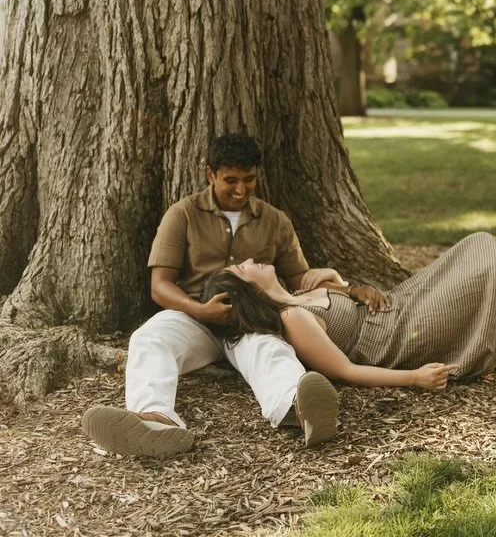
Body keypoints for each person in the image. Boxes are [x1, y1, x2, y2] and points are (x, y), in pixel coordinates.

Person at [81, 134, 346, 457]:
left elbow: (298, 278)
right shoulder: (183, 214)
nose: (240, 190)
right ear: (210, 174)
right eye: (230, 180)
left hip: (250, 318)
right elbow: (160, 285)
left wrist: (338, 282)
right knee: (149, 338)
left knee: (270, 350)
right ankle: (156, 422)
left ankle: (302, 409)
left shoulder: (275, 220)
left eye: (248, 180)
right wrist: (200, 310)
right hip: (196, 317)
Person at [199, 232, 496, 389]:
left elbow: (348, 296)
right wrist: (414, 379)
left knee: (480, 242)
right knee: (490, 265)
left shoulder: (302, 291)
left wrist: (346, 285)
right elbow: (346, 371)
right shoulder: (292, 320)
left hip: (401, 303)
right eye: (242, 268)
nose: (251, 260)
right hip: (398, 336)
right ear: (246, 290)